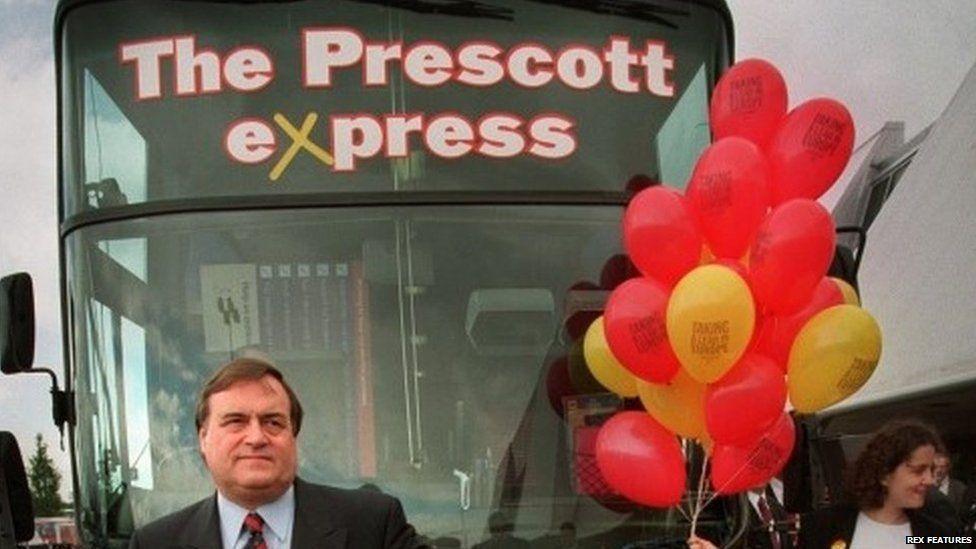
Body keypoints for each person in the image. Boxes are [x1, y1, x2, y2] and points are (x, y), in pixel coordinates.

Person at [129, 357, 425, 548]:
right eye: (236, 421)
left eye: (273, 422)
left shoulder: (373, 526)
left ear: (293, 436)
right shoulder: (155, 543)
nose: (256, 437)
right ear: (203, 439)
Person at [800, 420, 965, 548]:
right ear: (884, 473)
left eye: (931, 469)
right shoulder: (823, 526)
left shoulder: (935, 534)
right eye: (918, 470)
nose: (929, 480)